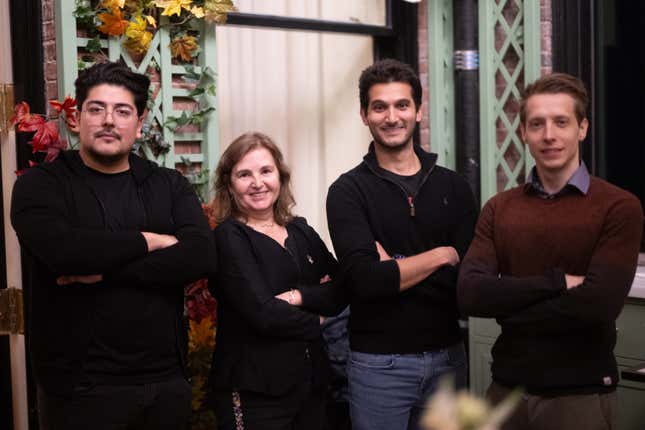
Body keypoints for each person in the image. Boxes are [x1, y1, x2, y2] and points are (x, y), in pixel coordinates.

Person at [10, 61, 212, 430]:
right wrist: (148, 241)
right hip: (79, 388)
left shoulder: (168, 185)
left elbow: (200, 255)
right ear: (76, 118)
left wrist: (101, 269)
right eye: (96, 108)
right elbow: (63, 251)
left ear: (139, 122)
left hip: (165, 383)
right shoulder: (41, 185)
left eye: (122, 111)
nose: (108, 120)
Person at [457, 73, 643, 430]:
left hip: (580, 396)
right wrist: (557, 282)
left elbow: (598, 304)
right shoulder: (499, 208)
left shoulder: (619, 206)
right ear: (524, 132)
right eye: (537, 124)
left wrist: (508, 306)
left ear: (582, 128)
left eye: (561, 122)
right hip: (505, 393)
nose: (549, 135)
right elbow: (470, 294)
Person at [326, 59, 478, 430]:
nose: (391, 117)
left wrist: (394, 268)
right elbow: (364, 281)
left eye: (402, 105)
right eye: (379, 107)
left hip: (449, 359)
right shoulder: (347, 192)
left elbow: (465, 282)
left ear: (418, 111)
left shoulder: (453, 187)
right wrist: (442, 254)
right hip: (379, 366)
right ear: (364, 114)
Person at [208, 132, 346, 430]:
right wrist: (319, 319)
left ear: (280, 177)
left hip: (312, 385)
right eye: (244, 174)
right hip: (254, 391)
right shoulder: (229, 238)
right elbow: (263, 313)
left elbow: (343, 287)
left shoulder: (300, 231)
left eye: (265, 171)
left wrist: (298, 297)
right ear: (229, 185)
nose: (257, 183)